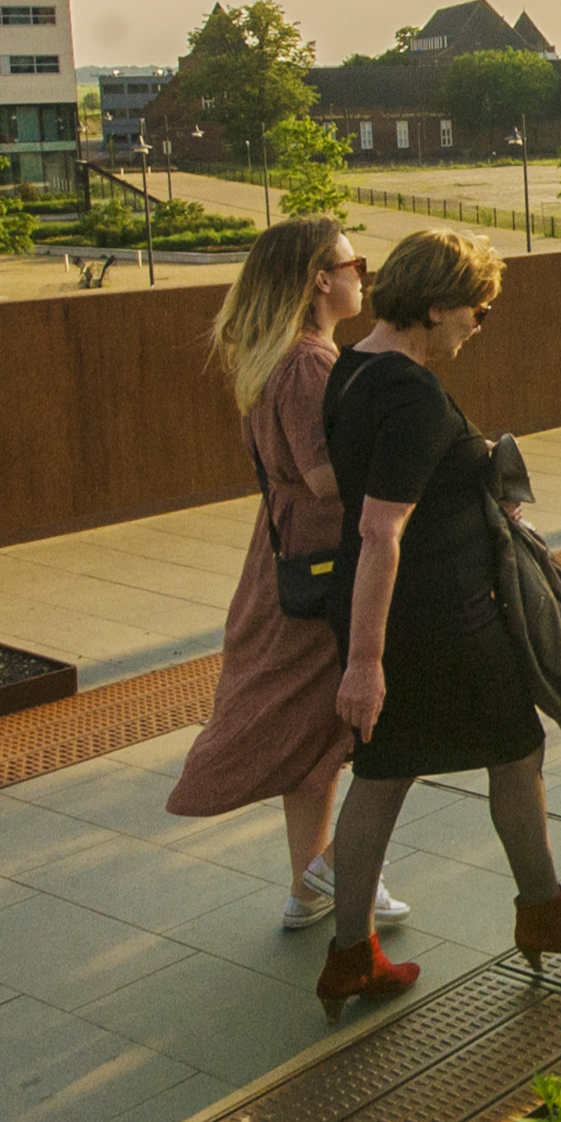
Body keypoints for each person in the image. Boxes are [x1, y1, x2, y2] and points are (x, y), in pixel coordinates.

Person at [310, 229, 561, 1017]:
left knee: (381, 776)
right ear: (439, 303)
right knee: (516, 753)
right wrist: (364, 663)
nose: (479, 326)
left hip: (390, 612)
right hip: (439, 619)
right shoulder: (414, 394)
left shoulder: (355, 369)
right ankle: (543, 910)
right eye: (478, 311)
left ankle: (350, 955)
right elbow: (383, 529)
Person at [166, 217, 412, 932]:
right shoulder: (310, 364)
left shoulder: (279, 356)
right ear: (318, 281)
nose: (362, 273)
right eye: (352, 262)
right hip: (321, 559)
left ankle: (310, 886)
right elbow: (325, 476)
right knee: (353, 716)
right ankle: (340, 871)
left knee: (312, 732)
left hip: (286, 556)